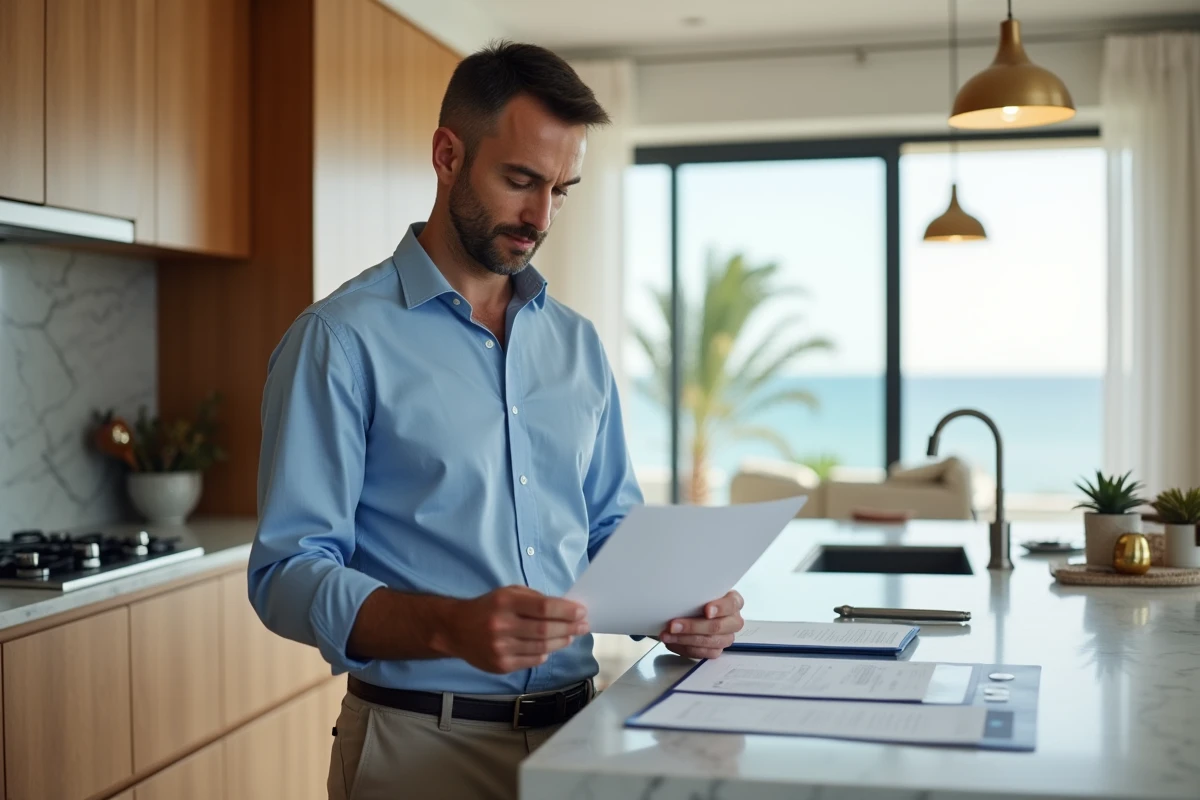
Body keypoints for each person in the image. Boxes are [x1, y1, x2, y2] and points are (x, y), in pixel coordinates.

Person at [248, 41, 745, 800]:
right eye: (520, 181)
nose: (541, 216)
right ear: (448, 155)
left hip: (580, 736)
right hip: (417, 751)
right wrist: (448, 625)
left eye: (560, 190)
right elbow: (286, 574)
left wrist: (678, 607)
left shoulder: (574, 343)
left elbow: (610, 527)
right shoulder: (341, 340)